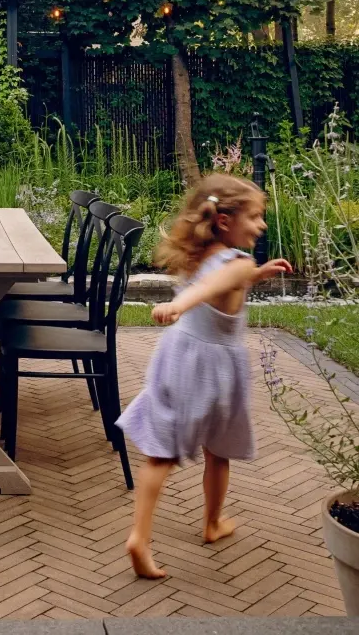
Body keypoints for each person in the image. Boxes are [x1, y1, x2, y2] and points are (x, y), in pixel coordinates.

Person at [117, 174, 293, 579]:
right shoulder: (237, 263)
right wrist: (178, 303)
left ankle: (140, 537)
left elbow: (220, 282)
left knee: (160, 454)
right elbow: (214, 285)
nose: (261, 225)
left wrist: (259, 274)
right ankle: (212, 524)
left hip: (178, 355)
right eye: (256, 217)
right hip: (213, 369)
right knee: (218, 451)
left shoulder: (204, 254)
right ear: (226, 221)